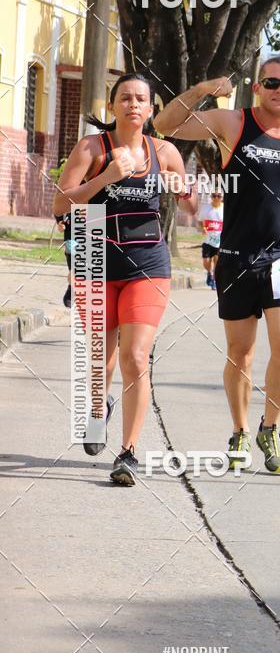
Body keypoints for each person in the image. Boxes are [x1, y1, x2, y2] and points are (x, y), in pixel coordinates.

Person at [155, 56, 280, 474]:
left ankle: (271, 427)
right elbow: (166, 125)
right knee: (241, 354)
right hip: (235, 257)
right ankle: (240, 431)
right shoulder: (232, 122)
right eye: (272, 83)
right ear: (257, 86)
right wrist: (202, 90)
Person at [53, 73, 196, 486]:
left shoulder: (165, 151)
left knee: (135, 357)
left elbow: (191, 207)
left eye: (141, 99)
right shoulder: (91, 148)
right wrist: (105, 178)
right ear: (113, 106)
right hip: (95, 257)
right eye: (125, 98)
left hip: (148, 262)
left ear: (151, 110)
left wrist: (184, 192)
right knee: (101, 357)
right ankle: (98, 409)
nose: (133, 105)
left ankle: (128, 452)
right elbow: (60, 203)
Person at [198, 190, 224, 289]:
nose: (216, 198)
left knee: (216, 260)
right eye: (214, 196)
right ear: (211, 197)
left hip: (219, 241)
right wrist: (202, 228)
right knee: (206, 261)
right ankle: (209, 272)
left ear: (222, 197)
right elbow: (200, 221)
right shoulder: (206, 208)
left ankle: (214, 278)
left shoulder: (225, 209)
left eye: (219, 196)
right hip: (207, 240)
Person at [55, 212, 73, 307]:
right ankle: (72, 288)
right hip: (72, 233)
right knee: (74, 268)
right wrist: (59, 222)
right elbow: (59, 206)